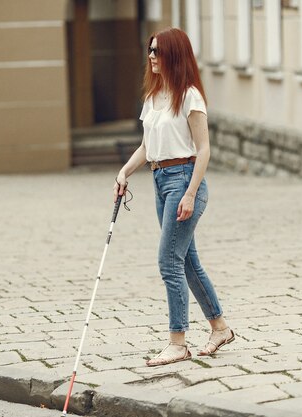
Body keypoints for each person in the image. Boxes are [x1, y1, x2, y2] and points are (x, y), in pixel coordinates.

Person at [113, 28, 234, 367]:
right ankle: (220, 327)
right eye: (149, 49)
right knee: (187, 261)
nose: (151, 56)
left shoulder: (190, 96)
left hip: (184, 180)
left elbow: (204, 149)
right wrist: (124, 172)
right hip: (160, 180)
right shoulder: (153, 96)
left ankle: (177, 342)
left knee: (169, 260)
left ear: (174, 55)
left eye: (158, 51)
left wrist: (192, 193)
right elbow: (147, 146)